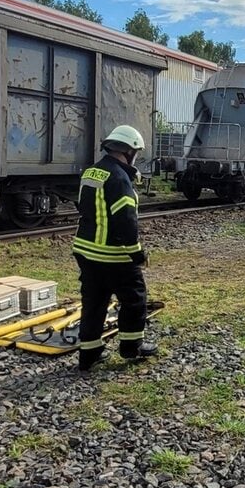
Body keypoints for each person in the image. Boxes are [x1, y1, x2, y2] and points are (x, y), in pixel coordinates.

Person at [72, 124, 158, 372]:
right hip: (113, 255)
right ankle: (132, 348)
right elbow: (126, 222)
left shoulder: (92, 172)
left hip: (86, 252)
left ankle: (89, 354)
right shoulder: (120, 179)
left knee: (94, 303)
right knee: (134, 299)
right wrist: (137, 254)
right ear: (129, 151)